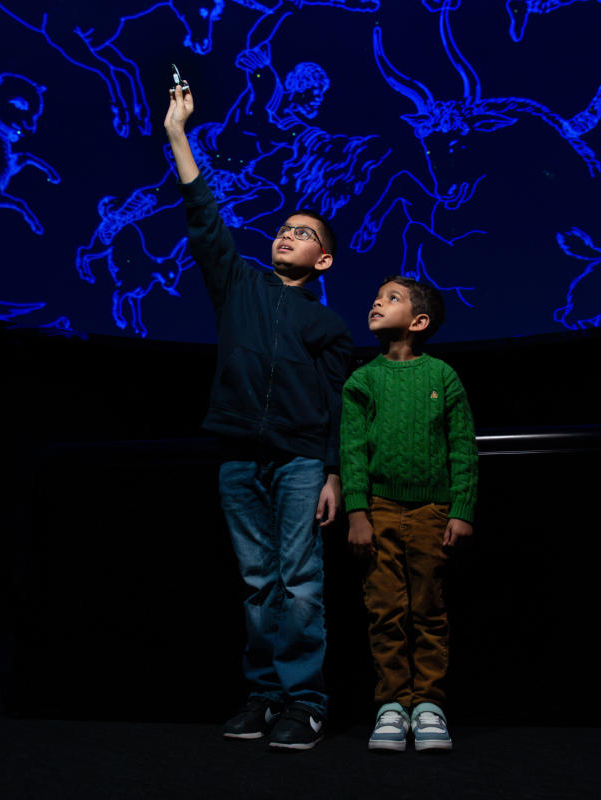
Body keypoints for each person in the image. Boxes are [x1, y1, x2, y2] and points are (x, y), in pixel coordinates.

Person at [164, 77, 353, 751]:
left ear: (321, 259)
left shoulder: (329, 325)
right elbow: (206, 221)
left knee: (299, 581)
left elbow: (335, 406)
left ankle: (305, 701)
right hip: (239, 454)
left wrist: (331, 473)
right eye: (283, 228)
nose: (287, 235)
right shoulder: (239, 284)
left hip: (301, 459)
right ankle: (263, 693)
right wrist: (178, 135)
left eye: (302, 233)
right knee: (256, 582)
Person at [340, 275, 478, 752]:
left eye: (391, 298)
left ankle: (429, 705)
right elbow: (352, 452)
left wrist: (461, 510)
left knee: (428, 607)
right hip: (378, 510)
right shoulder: (363, 380)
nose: (378, 302)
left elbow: (462, 447)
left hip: (431, 512)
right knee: (385, 610)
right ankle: (392, 705)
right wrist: (357, 513)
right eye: (376, 296)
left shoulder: (443, 376)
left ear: (418, 321)